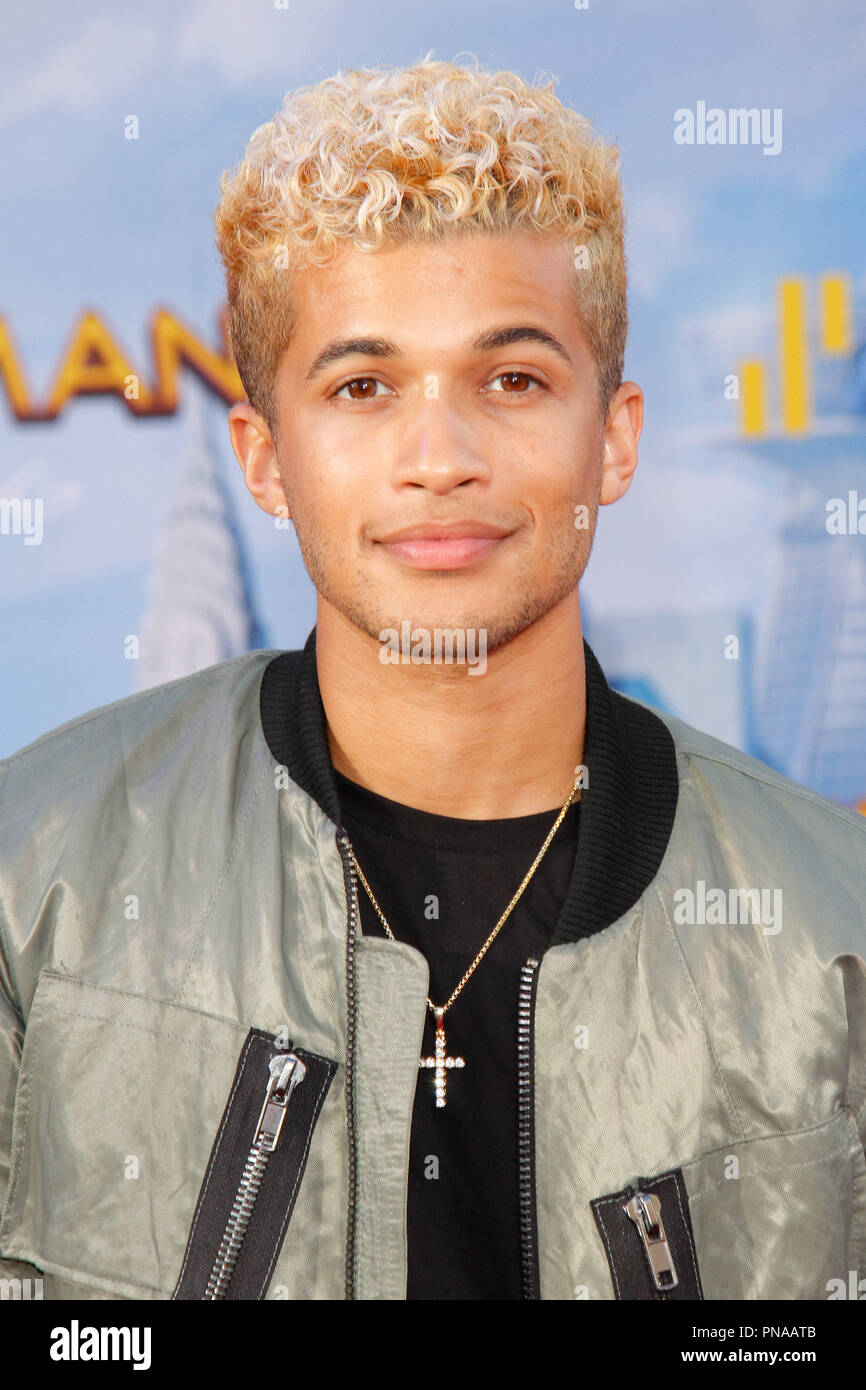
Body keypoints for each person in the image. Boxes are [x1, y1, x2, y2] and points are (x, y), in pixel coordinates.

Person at [1, 55, 864, 1303]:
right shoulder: (36, 883)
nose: (438, 456)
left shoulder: (834, 927)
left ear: (613, 438)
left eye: (511, 379)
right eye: (362, 386)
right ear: (265, 458)